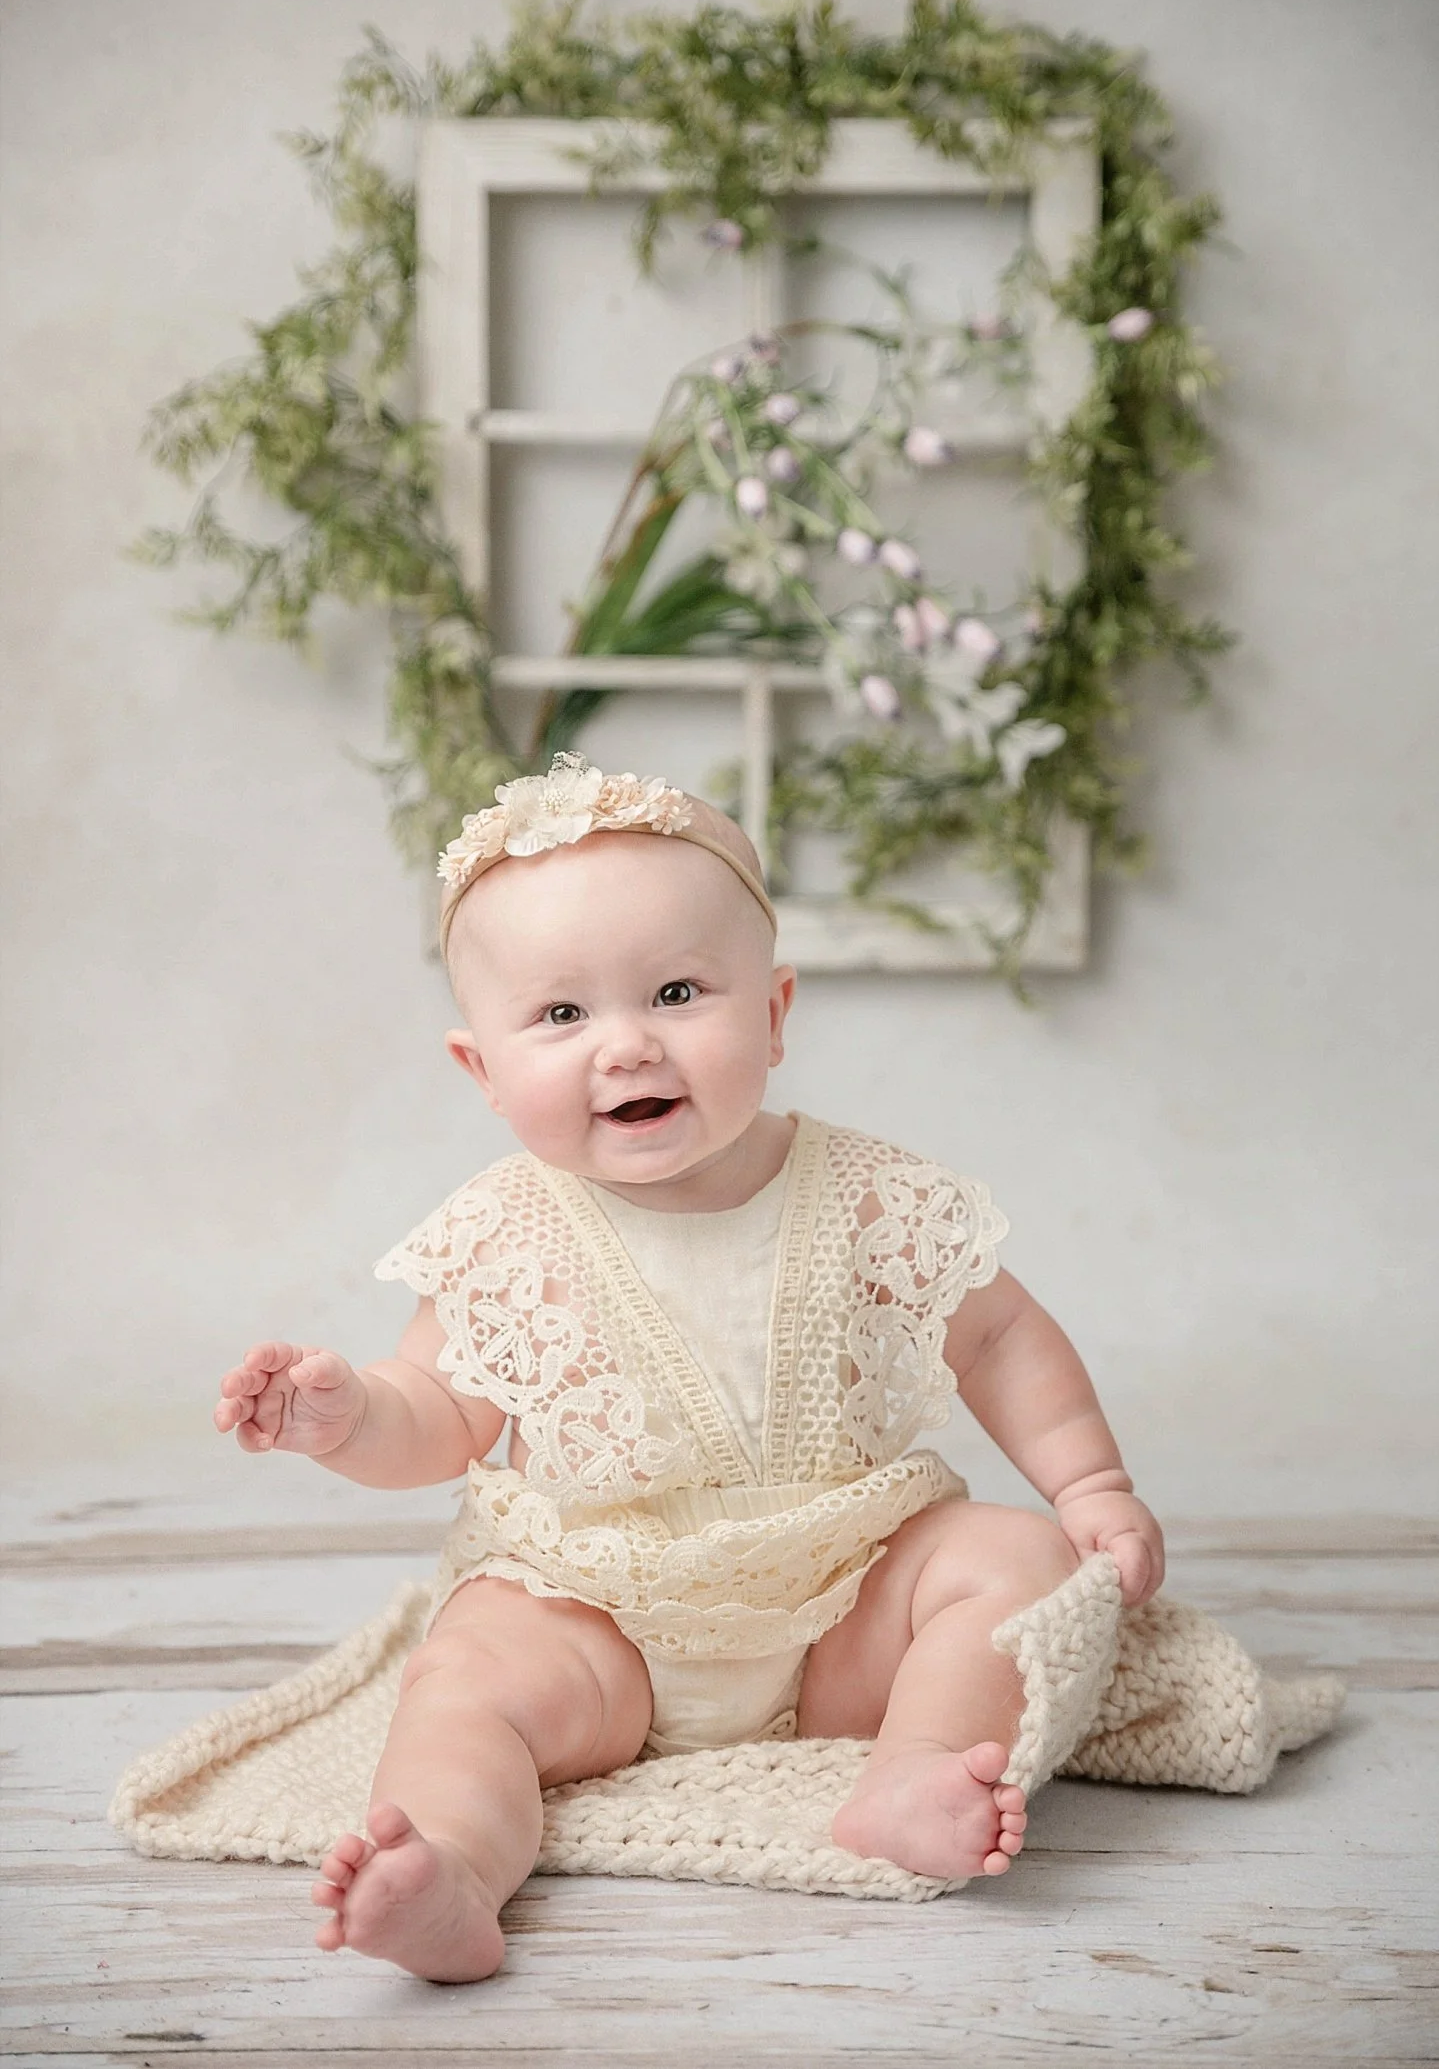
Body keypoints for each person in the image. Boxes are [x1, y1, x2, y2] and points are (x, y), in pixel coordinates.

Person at [214, 753, 1165, 1983]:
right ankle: (447, 1868)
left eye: (674, 992)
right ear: (480, 1071)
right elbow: (441, 1415)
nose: (624, 1047)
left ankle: (912, 1768)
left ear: (770, 1015)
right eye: (561, 1016)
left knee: (1011, 1561)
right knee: (464, 1673)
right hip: (596, 1621)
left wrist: (1087, 1486)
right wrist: (346, 1418)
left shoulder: (869, 1196)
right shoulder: (507, 1233)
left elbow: (996, 1335)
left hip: (840, 1609)